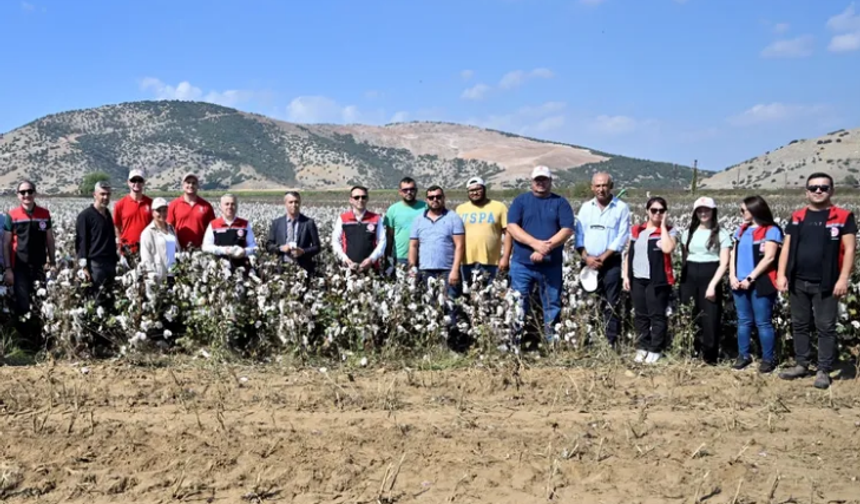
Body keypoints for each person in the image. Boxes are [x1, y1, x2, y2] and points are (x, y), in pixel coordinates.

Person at [777, 172, 857, 389]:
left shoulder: (843, 216)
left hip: (828, 283)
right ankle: (802, 363)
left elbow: (850, 249)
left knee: (825, 327)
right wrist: (781, 274)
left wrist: (843, 278)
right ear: (807, 192)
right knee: (800, 324)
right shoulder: (798, 216)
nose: (818, 191)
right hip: (798, 281)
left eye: (823, 187)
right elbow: (786, 247)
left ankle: (823, 369)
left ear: (832, 190)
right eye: (814, 188)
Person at [506, 166, 574, 343]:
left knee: (552, 305)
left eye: (544, 179)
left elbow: (567, 230)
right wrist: (535, 244)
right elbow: (512, 227)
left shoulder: (561, 203)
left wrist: (547, 248)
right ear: (532, 182)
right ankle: (516, 342)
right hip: (522, 264)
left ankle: (551, 343)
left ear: (550, 181)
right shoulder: (520, 201)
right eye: (538, 180)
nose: (541, 183)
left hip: (550, 266)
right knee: (518, 303)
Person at [574, 172, 630, 346]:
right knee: (588, 302)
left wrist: (603, 257)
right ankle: (588, 339)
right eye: (597, 186)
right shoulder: (585, 208)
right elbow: (579, 234)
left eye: (604, 185)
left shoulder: (621, 208)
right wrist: (586, 257)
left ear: (611, 186)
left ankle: (610, 342)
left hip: (611, 263)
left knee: (611, 302)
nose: (601, 189)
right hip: (587, 263)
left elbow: (621, 237)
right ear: (592, 187)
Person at [730, 196, 782, 373]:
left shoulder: (771, 230)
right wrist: (732, 276)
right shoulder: (741, 230)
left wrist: (750, 278)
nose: (741, 213)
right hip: (739, 282)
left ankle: (768, 358)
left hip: (761, 282)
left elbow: (769, 257)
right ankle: (743, 355)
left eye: (743, 210)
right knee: (743, 321)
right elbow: (733, 255)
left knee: (763, 322)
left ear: (755, 210)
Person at [622, 197, 677, 364]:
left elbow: (668, 248)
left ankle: (656, 348)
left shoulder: (670, 231)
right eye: (654, 210)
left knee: (657, 315)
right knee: (640, 315)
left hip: (658, 280)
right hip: (638, 278)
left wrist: (663, 226)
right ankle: (642, 346)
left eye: (661, 210)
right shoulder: (637, 230)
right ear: (647, 211)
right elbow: (629, 253)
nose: (657, 213)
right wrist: (626, 275)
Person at [678, 196, 732, 364]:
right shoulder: (687, 233)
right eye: (700, 210)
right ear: (695, 213)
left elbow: (724, 263)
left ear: (713, 211)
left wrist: (712, 285)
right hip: (690, 274)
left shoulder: (722, 234)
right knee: (689, 314)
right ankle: (691, 351)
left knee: (710, 317)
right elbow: (685, 256)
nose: (703, 213)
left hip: (711, 274)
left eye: (707, 209)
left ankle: (709, 357)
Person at [3, 180, 56, 347]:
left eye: (30, 191)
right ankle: (24, 342)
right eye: (23, 192)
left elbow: (49, 239)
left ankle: (41, 340)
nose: (27, 195)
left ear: (35, 193)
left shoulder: (44, 213)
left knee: (41, 302)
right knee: (23, 303)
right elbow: (6, 243)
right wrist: (8, 269)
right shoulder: (12, 215)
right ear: (18, 195)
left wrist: (52, 261)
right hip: (19, 267)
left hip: (39, 266)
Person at [408, 185, 465, 305]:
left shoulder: (454, 218)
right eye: (431, 197)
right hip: (425, 270)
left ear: (444, 198)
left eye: (438, 197)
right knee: (428, 306)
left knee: (449, 305)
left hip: (447, 271)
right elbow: (413, 246)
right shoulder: (418, 220)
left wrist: (455, 270)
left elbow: (460, 246)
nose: (435, 200)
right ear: (427, 200)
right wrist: (412, 268)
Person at [456, 176, 510, 284]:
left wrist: (506, 257)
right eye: (471, 190)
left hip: (491, 262)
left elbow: (508, 233)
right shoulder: (460, 209)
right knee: (466, 297)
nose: (475, 193)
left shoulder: (499, 207)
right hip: (465, 262)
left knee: (490, 297)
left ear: (484, 189)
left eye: (478, 189)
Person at [75, 181, 119, 307]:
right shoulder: (85, 216)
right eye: (102, 194)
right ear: (95, 194)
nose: (105, 197)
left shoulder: (107, 214)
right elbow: (81, 242)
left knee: (109, 298)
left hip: (110, 263)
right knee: (97, 299)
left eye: (108, 194)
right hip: (95, 265)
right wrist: (84, 267)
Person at [265, 191, 321, 276]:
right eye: (290, 202)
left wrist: (302, 251)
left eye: (296, 202)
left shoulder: (308, 223)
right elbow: (269, 245)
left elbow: (317, 247)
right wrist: (281, 248)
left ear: (300, 203)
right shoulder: (276, 223)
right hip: (281, 269)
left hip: (303, 269)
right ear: (285, 204)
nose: (294, 205)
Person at [331, 186, 386, 271]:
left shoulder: (376, 218)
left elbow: (382, 241)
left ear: (367, 199)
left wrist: (371, 259)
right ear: (351, 200)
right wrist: (344, 258)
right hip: (348, 268)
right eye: (356, 197)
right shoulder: (343, 218)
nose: (360, 200)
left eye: (363, 197)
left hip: (371, 268)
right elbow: (335, 240)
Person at [201, 194, 257, 270]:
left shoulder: (245, 224)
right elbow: (206, 247)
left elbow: (253, 246)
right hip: (220, 268)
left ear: (236, 206)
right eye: (227, 204)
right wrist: (224, 250)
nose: (230, 207)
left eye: (233, 204)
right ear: (221, 206)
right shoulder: (213, 225)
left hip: (242, 267)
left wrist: (244, 252)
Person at [384, 177, 427, 268]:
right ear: (400, 192)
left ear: (416, 190)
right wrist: (387, 258)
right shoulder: (393, 210)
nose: (409, 192)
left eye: (412, 189)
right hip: (400, 257)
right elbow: (389, 236)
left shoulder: (426, 207)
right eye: (405, 190)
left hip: (423, 257)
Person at [167, 172, 216, 250]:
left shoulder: (206, 206)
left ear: (197, 186)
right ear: (183, 185)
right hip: (179, 250)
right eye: (188, 182)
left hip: (201, 249)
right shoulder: (174, 205)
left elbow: (213, 229)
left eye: (194, 183)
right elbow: (169, 229)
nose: (191, 185)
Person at [140, 197, 180, 284]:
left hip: (172, 276)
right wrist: (152, 276)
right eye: (159, 211)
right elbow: (146, 258)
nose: (162, 213)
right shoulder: (148, 232)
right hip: (158, 278)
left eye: (164, 210)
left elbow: (176, 250)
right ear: (152, 212)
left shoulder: (171, 229)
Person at [113, 168, 153, 255]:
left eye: (139, 180)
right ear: (128, 182)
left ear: (143, 183)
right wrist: (120, 244)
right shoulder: (120, 204)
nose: (136, 183)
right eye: (133, 180)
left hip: (148, 249)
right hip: (127, 250)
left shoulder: (151, 203)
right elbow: (117, 227)